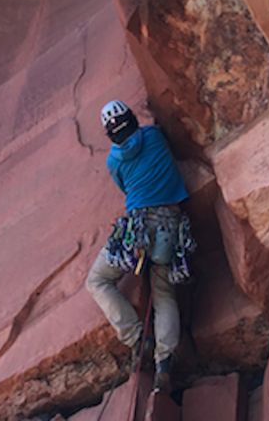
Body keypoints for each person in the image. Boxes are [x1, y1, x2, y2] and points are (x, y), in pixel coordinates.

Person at [85, 100, 196, 394]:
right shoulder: (155, 136)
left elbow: (125, 188)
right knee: (163, 294)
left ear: (110, 135)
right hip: (170, 226)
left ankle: (137, 339)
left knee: (97, 280)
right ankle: (164, 364)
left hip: (136, 231)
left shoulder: (114, 161)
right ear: (132, 119)